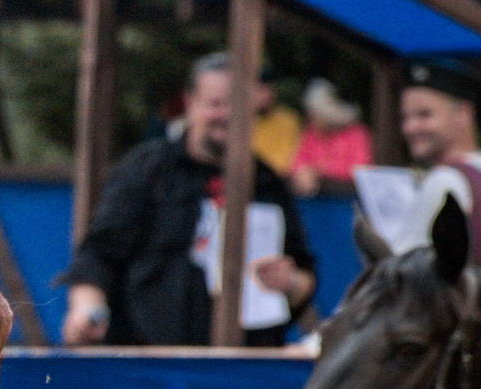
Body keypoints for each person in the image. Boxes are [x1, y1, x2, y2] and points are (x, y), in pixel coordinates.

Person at [65, 51, 317, 347]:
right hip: (148, 364)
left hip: (240, 371)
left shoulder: (267, 182)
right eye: (216, 104)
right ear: (190, 103)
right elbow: (99, 253)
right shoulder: (147, 169)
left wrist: (289, 282)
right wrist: (85, 308)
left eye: (237, 106)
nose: (226, 115)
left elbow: (304, 280)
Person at [400, 60, 481, 280]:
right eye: (405, 117)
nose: (410, 127)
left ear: (462, 113)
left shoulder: (445, 180)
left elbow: (401, 270)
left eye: (425, 115)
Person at [288, 77, 372, 196]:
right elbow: (295, 164)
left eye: (314, 113)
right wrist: (304, 173)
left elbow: (360, 171)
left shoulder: (356, 134)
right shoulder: (311, 133)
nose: (310, 118)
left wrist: (320, 170)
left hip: (346, 203)